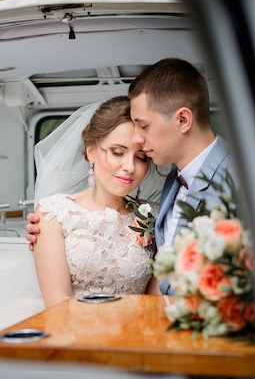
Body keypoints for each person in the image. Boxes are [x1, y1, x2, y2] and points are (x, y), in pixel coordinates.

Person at [26, 58, 255, 379]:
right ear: (90, 151)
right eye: (118, 150)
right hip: (154, 349)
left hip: (229, 364)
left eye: (142, 131)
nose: (136, 152)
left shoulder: (244, 182)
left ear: (183, 120)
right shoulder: (171, 183)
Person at [32, 96, 162, 308]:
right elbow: (57, 304)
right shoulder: (54, 213)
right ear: (91, 151)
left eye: (140, 157)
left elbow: (156, 300)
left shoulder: (155, 216)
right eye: (117, 152)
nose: (129, 166)